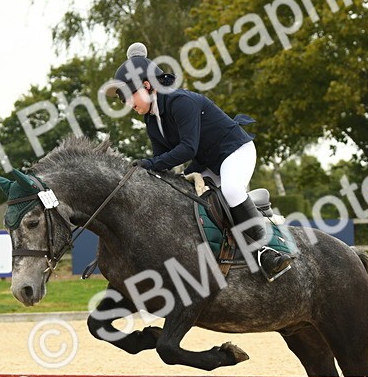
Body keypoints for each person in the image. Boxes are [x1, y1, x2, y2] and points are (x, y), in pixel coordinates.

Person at [105, 43, 292, 281]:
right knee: (183, 199)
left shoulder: (180, 102)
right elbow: (163, 162)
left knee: (232, 190)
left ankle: (267, 251)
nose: (127, 104)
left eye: (127, 96)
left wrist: (149, 164)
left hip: (235, 151)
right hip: (208, 163)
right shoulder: (152, 121)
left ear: (146, 85)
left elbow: (187, 148)